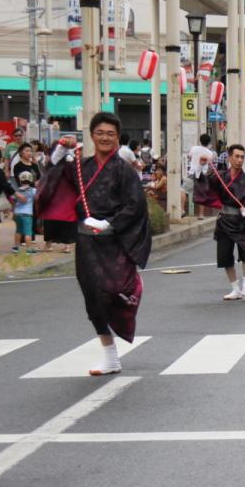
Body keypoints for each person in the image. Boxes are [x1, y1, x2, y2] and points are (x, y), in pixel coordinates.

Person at [36, 113, 152, 375]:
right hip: (87, 243)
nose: (105, 137)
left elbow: (136, 205)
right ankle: (110, 355)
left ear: (117, 137)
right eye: (100, 132)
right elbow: (54, 180)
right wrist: (57, 155)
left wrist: (110, 224)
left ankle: (133, 284)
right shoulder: (81, 166)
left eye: (110, 133)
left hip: (114, 242)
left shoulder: (124, 170)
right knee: (94, 299)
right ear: (91, 135)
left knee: (115, 290)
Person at [194, 143, 245, 300]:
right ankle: (235, 288)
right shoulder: (220, 177)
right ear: (230, 157)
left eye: (242, 157)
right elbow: (203, 185)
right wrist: (200, 167)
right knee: (225, 255)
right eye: (236, 156)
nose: (239, 160)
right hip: (225, 220)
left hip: (243, 221)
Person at [186, 133, 217, 217]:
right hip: (202, 175)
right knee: (201, 193)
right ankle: (201, 214)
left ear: (200, 140)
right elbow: (209, 164)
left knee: (184, 189)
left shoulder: (194, 148)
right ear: (209, 142)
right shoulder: (210, 153)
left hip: (192, 172)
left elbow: (189, 157)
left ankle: (181, 210)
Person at [12, 171, 39, 254]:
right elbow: (37, 198)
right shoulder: (33, 190)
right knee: (28, 232)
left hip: (17, 213)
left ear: (20, 180)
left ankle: (16, 248)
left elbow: (13, 200)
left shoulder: (17, 191)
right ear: (31, 180)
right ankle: (28, 249)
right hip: (27, 214)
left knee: (18, 230)